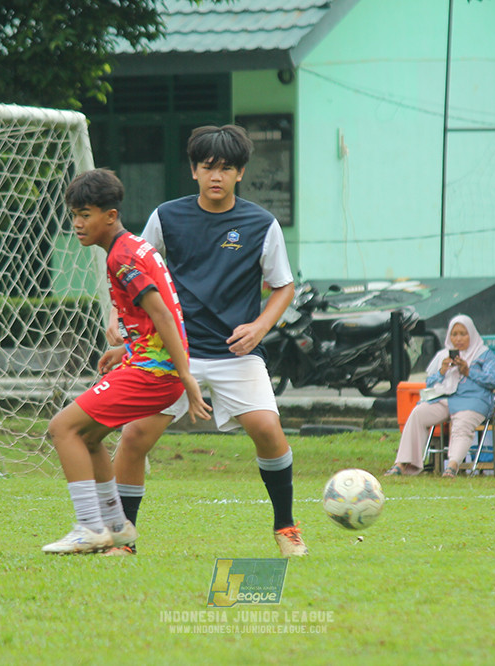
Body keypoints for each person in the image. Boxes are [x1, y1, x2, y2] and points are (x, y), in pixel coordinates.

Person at [110, 124, 308, 557]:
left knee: (267, 430)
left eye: (227, 168)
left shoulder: (261, 223)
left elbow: (284, 287)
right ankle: (123, 538)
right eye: (207, 167)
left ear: (241, 173)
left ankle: (286, 527)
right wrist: (118, 319)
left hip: (236, 354)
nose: (216, 175)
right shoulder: (166, 216)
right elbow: (131, 269)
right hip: (172, 351)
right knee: (134, 437)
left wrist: (259, 327)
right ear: (193, 171)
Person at [41, 168, 211, 554]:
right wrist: (128, 347)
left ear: (110, 216)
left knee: (61, 427)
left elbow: (165, 314)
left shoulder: (123, 257)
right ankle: (117, 526)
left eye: (85, 214)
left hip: (154, 374)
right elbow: (155, 317)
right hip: (149, 366)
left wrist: (186, 376)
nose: (77, 223)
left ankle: (89, 527)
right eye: (74, 214)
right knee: (88, 436)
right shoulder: (131, 247)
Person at [386, 314, 495, 478]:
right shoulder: (443, 356)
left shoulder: (484, 355)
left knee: (462, 424)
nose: (458, 339)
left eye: (463, 334)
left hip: (473, 401)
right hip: (445, 398)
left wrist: (468, 371)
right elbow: (430, 382)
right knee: (418, 414)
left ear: (472, 334)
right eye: (454, 334)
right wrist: (442, 371)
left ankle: (452, 467)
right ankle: (403, 464)